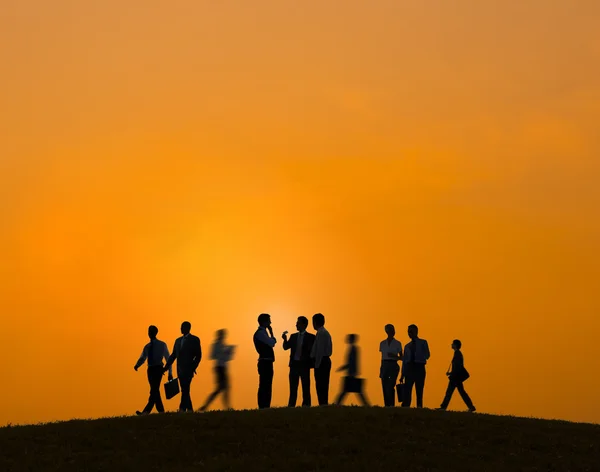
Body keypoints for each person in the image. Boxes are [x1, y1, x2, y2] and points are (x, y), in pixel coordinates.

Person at [134, 325, 173, 415]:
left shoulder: (162, 345)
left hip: (158, 369)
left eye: (151, 331)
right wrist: (137, 365)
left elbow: (168, 358)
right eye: (149, 331)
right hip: (150, 369)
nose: (149, 333)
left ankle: (146, 412)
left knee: (154, 390)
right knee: (155, 390)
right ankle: (161, 411)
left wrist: (170, 373)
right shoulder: (147, 346)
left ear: (155, 333)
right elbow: (143, 357)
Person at [164, 321, 202, 412]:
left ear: (187, 328)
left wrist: (193, 367)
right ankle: (189, 410)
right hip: (180, 370)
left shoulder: (194, 339)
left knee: (185, 389)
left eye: (182, 327)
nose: (180, 329)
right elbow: (173, 355)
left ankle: (182, 409)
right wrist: (166, 367)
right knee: (185, 390)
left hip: (189, 369)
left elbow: (198, 355)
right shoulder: (177, 341)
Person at [282, 316, 316, 407]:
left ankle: (306, 405)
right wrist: (284, 339)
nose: (296, 324)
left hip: (304, 365)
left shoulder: (311, 337)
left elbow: (313, 351)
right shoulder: (293, 336)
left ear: (304, 325)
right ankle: (291, 405)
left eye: (298, 323)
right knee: (293, 387)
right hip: (294, 365)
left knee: (305, 387)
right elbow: (285, 347)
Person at [199, 329, 235, 411]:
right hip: (219, 368)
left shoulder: (223, 344)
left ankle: (226, 406)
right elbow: (211, 356)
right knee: (221, 388)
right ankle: (206, 406)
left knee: (225, 388)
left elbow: (227, 358)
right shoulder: (215, 345)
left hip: (223, 367)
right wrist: (222, 353)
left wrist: (228, 352)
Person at [437, 339, 476, 412]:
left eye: (453, 344)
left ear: (455, 345)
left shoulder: (457, 354)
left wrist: (451, 374)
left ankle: (443, 407)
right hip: (456, 377)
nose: (451, 345)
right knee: (461, 392)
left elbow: (457, 367)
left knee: (449, 392)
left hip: (455, 378)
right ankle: (471, 407)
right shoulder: (457, 353)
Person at [400, 324, 430, 408]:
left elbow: (427, 355)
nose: (409, 333)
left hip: (419, 367)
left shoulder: (423, 342)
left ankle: (419, 407)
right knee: (407, 390)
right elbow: (404, 361)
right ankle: (406, 407)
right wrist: (402, 374)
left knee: (419, 390)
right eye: (408, 332)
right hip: (409, 368)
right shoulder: (407, 346)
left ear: (416, 332)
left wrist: (418, 355)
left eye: (411, 332)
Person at [335, 334, 370, 406]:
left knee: (345, 391)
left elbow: (351, 362)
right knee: (357, 392)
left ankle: (336, 405)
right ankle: (366, 405)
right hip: (352, 372)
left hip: (351, 373)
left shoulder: (353, 349)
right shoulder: (353, 348)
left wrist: (344, 367)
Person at [253, 313, 277, 409]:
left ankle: (265, 405)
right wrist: (272, 334)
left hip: (266, 362)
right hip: (265, 362)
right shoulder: (260, 333)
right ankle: (263, 405)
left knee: (266, 384)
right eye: (269, 321)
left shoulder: (262, 333)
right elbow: (272, 343)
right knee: (264, 385)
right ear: (264, 322)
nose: (270, 323)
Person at [310, 313, 333, 406]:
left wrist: (316, 364)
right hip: (323, 361)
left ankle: (323, 404)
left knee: (321, 384)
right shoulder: (322, 332)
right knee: (322, 384)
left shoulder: (322, 333)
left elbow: (319, 350)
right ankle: (323, 403)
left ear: (315, 322)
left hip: (322, 361)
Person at [379, 324, 403, 407]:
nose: (393, 332)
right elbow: (382, 358)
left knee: (391, 385)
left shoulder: (398, 343)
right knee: (384, 386)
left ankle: (391, 405)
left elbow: (402, 357)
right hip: (385, 364)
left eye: (393, 330)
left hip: (393, 365)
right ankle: (387, 405)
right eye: (390, 330)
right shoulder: (382, 343)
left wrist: (395, 356)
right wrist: (381, 369)